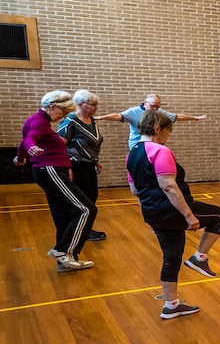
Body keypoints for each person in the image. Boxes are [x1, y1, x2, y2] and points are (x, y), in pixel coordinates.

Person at [127, 110, 220, 319]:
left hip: (153, 211)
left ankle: (171, 305)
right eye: (168, 132)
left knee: (171, 257)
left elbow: (135, 191)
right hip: (172, 209)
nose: (168, 136)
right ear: (158, 129)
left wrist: (149, 218)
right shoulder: (160, 151)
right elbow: (169, 186)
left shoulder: (132, 153)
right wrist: (189, 215)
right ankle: (200, 258)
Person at [16, 90, 97, 271]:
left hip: (51, 170)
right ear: (52, 106)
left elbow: (23, 142)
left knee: (64, 215)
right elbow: (29, 139)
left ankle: (65, 262)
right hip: (50, 169)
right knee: (86, 209)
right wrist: (32, 148)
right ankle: (63, 251)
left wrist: (20, 158)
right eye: (63, 111)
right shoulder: (39, 121)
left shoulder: (39, 121)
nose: (64, 115)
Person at [57, 89, 107, 241]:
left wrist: (95, 159)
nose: (96, 107)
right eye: (92, 104)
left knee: (92, 196)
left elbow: (90, 143)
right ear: (80, 104)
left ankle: (85, 229)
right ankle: (79, 231)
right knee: (83, 200)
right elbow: (59, 146)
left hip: (88, 164)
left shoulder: (91, 120)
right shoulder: (70, 121)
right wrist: (67, 167)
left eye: (96, 104)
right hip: (75, 164)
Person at [97, 94, 207, 150]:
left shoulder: (158, 111)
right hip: (137, 144)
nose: (155, 109)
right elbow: (118, 116)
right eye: (153, 106)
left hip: (153, 143)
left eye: (157, 107)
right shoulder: (133, 112)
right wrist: (102, 117)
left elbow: (176, 116)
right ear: (145, 103)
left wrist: (195, 117)